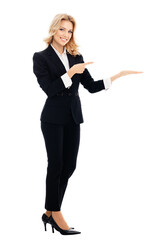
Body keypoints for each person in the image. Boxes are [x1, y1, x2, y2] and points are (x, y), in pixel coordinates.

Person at [32, 13, 143, 235]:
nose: (65, 34)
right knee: (55, 165)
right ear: (54, 29)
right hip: (52, 119)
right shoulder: (41, 57)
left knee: (69, 166)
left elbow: (90, 86)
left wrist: (117, 76)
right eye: (62, 29)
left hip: (73, 117)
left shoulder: (76, 56)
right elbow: (49, 90)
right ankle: (56, 212)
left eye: (70, 31)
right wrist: (70, 73)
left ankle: (49, 212)